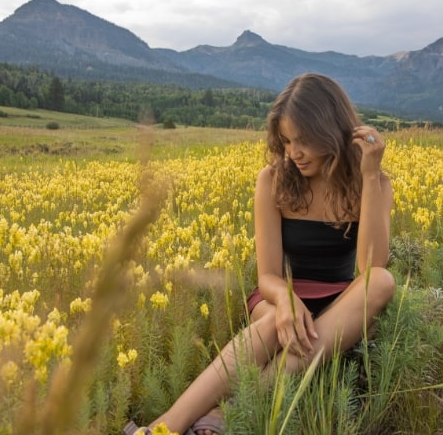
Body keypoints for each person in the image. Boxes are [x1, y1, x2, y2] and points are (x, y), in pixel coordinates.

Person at [124, 73, 396, 435]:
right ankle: (163, 428)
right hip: (278, 296)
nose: (293, 153)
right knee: (273, 324)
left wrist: (370, 174)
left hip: (341, 300)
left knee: (382, 280)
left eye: (304, 141)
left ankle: (230, 412)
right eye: (285, 141)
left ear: (331, 130)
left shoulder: (373, 182)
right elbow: (267, 275)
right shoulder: (273, 179)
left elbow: (369, 266)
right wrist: (286, 300)